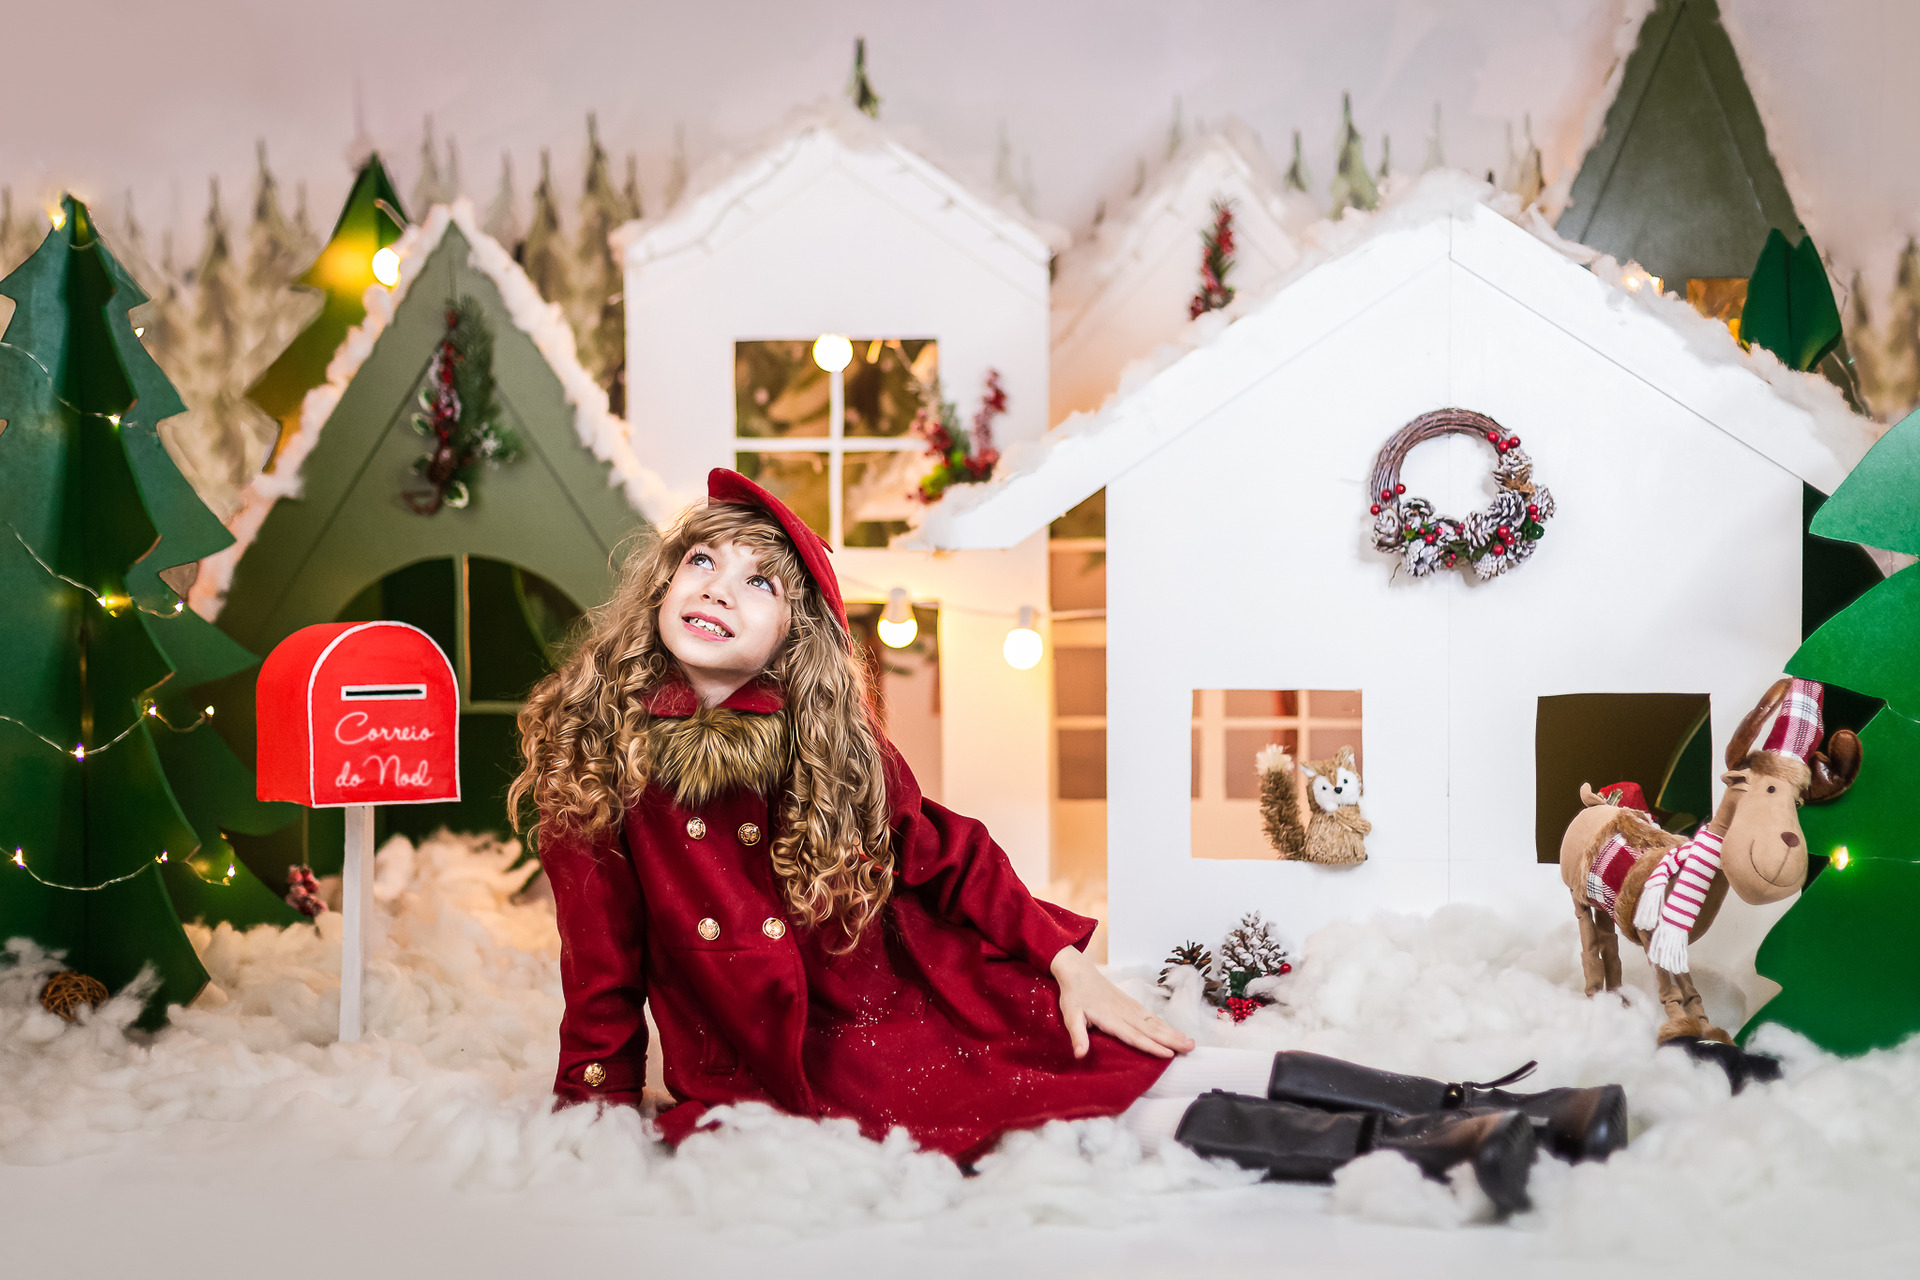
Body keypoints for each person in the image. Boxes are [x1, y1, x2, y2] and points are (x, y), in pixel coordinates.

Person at [512, 470, 1619, 1213]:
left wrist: (1058, 954)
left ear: (794, 637)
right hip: (811, 1067)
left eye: (762, 580)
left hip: (929, 992)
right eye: (703, 562)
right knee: (1120, 1121)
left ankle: (1484, 1101)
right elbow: (601, 978)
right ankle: (1433, 1151)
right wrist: (596, 1117)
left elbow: (952, 850)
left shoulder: (827, 745)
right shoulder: (598, 762)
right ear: (663, 582)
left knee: (1153, 1063)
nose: (719, 588)